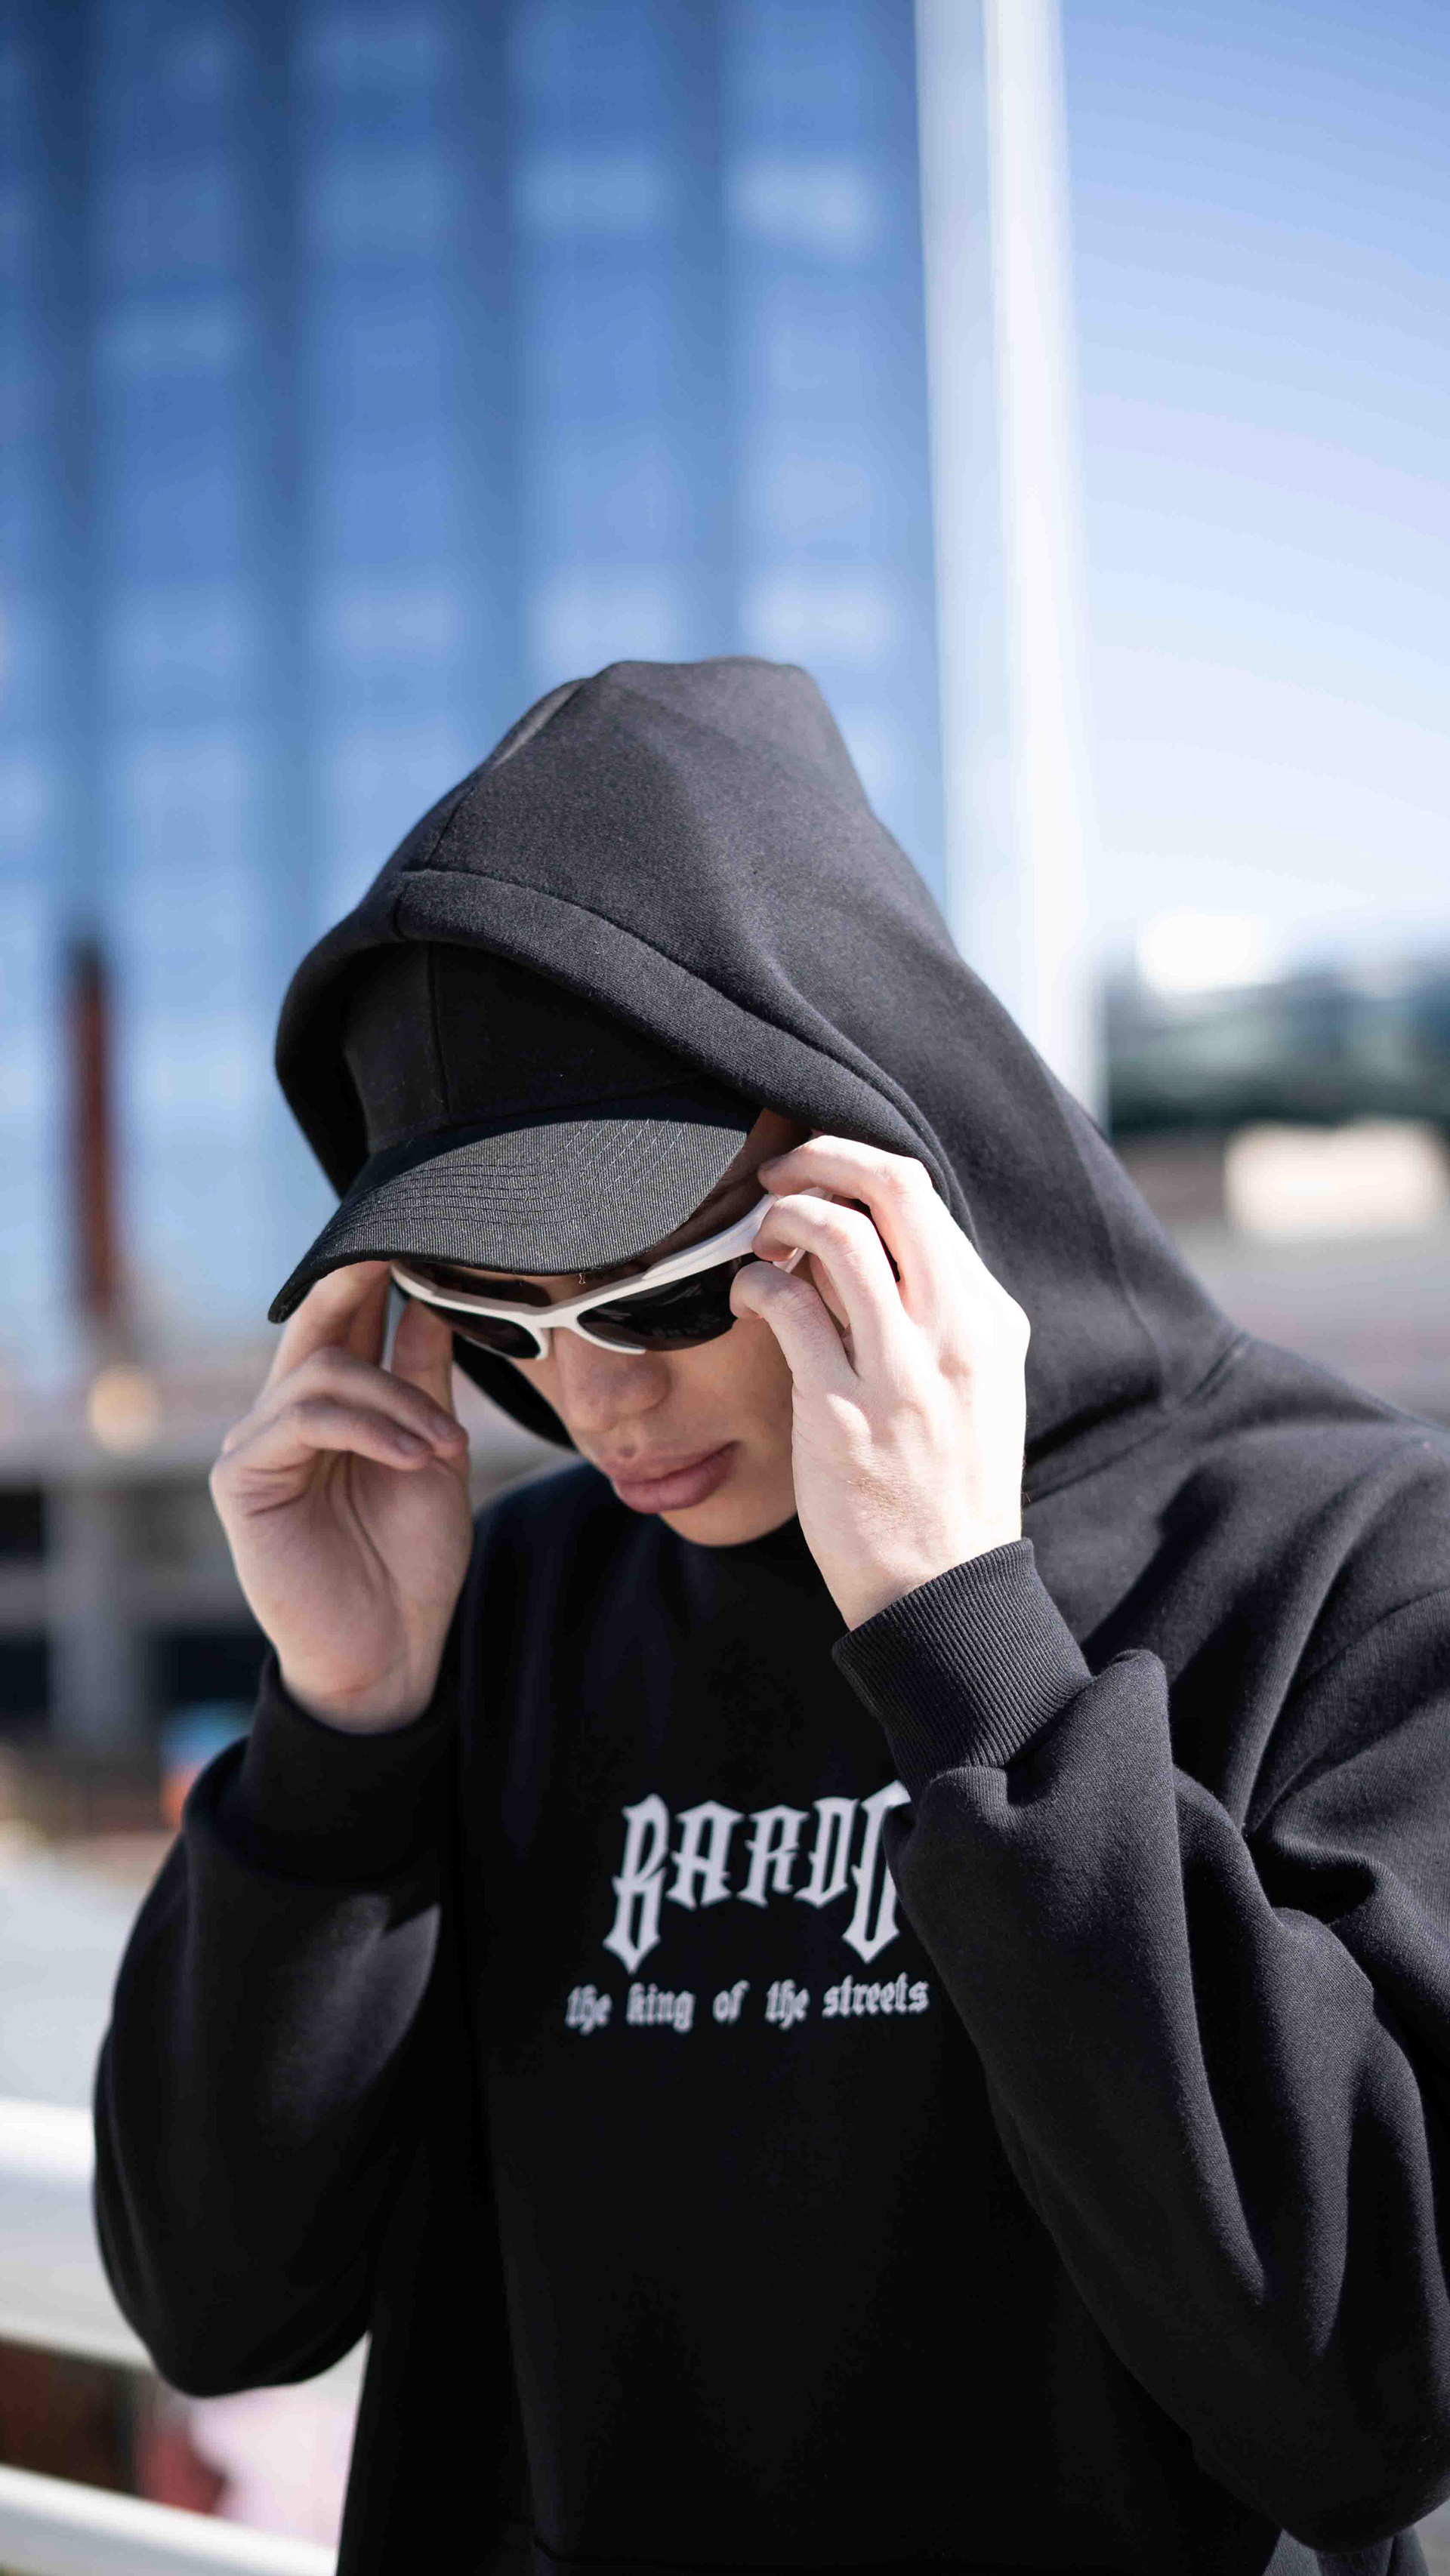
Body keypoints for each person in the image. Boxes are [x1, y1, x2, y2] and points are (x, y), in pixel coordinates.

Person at [94, 658, 1450, 2576]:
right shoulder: (512, 1599)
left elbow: (1364, 2387)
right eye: (493, 1318)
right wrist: (338, 1734)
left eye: (656, 1290)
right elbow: (219, 2301)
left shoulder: (1354, 1549)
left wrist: (967, 1641)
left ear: (884, 1137)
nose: (594, 1399)